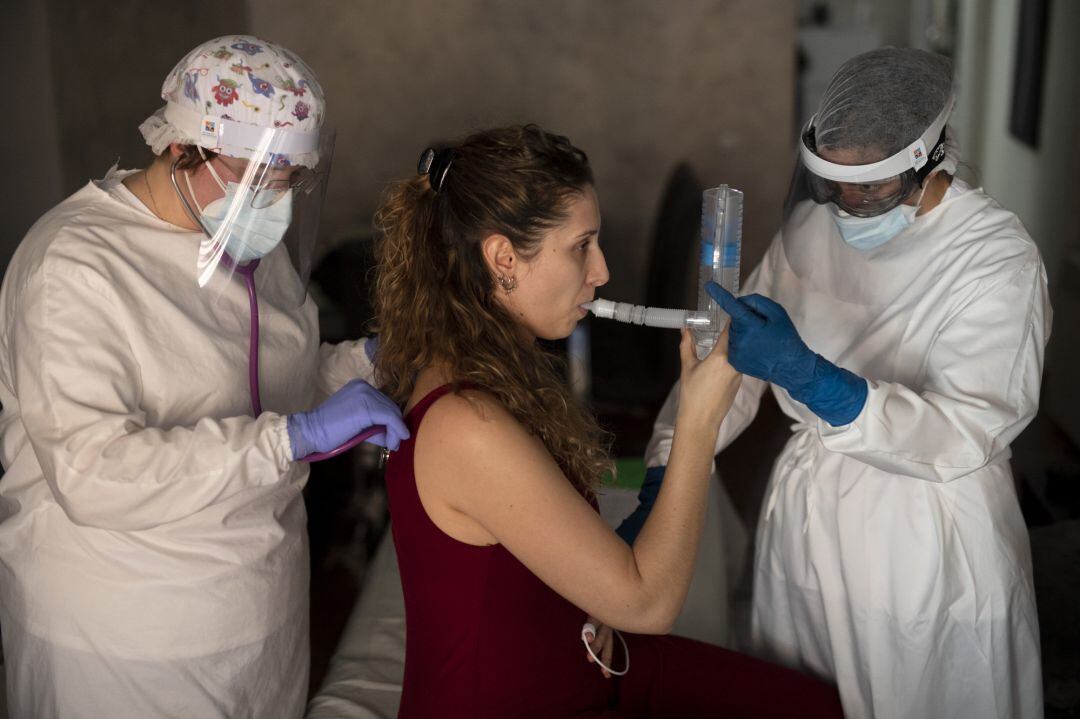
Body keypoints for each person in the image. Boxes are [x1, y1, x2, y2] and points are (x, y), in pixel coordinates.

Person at [372, 125, 844, 718]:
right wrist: (698, 425)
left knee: (817, 706)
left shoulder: (495, 370)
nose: (601, 272)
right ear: (503, 258)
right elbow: (647, 603)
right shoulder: (469, 424)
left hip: (585, 665)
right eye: (581, 246)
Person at [0, 35, 408, 718]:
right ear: (183, 148)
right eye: (258, 178)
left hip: (261, 617)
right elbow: (93, 472)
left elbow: (273, 392)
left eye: (290, 182)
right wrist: (291, 440)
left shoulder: (247, 245)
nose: (274, 204)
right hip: (125, 637)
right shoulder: (73, 268)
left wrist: (367, 361)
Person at [642, 48, 1050, 718]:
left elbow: (969, 428)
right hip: (808, 519)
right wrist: (670, 456)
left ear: (928, 155)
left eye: (873, 185)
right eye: (836, 183)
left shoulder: (997, 258)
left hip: (926, 537)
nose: (852, 201)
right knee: (796, 693)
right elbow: (735, 363)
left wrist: (827, 385)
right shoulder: (811, 226)